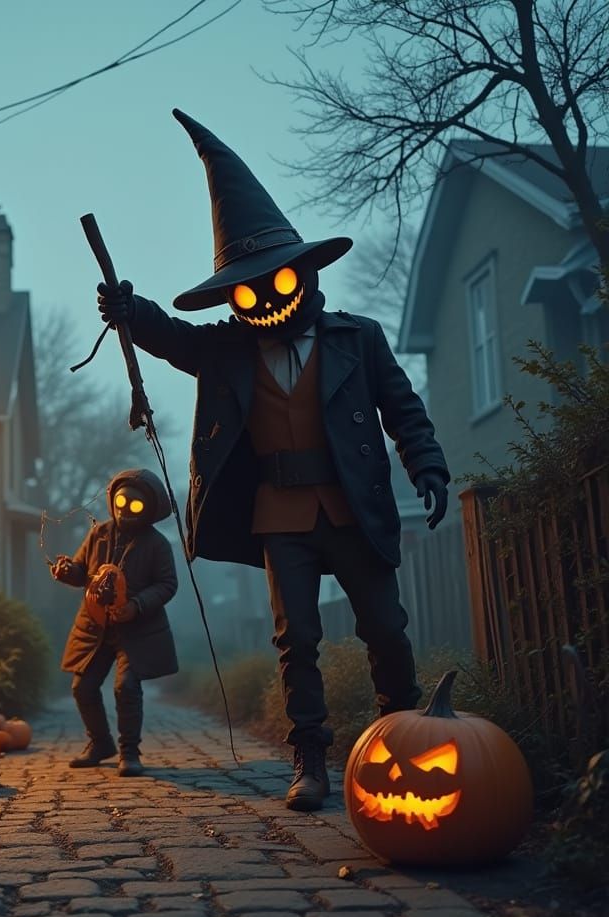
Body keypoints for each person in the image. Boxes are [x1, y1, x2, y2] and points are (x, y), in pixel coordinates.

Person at [95, 109, 450, 811]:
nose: (265, 299)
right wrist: (131, 311)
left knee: (386, 627)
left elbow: (405, 412)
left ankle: (404, 740)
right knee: (297, 640)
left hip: (352, 506)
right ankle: (310, 759)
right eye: (248, 290)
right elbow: (171, 338)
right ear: (235, 296)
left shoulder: (360, 340)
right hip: (278, 516)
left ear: (304, 275)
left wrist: (428, 467)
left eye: (277, 282)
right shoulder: (227, 348)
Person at [51, 468, 178, 777]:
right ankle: (99, 743)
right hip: (96, 627)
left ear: (148, 507)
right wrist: (68, 572)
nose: (125, 510)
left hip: (137, 631)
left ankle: (129, 752)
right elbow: (82, 570)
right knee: (83, 687)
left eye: (134, 505)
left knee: (127, 687)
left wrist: (136, 605)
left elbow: (167, 584)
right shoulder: (99, 534)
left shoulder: (157, 544)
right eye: (121, 502)